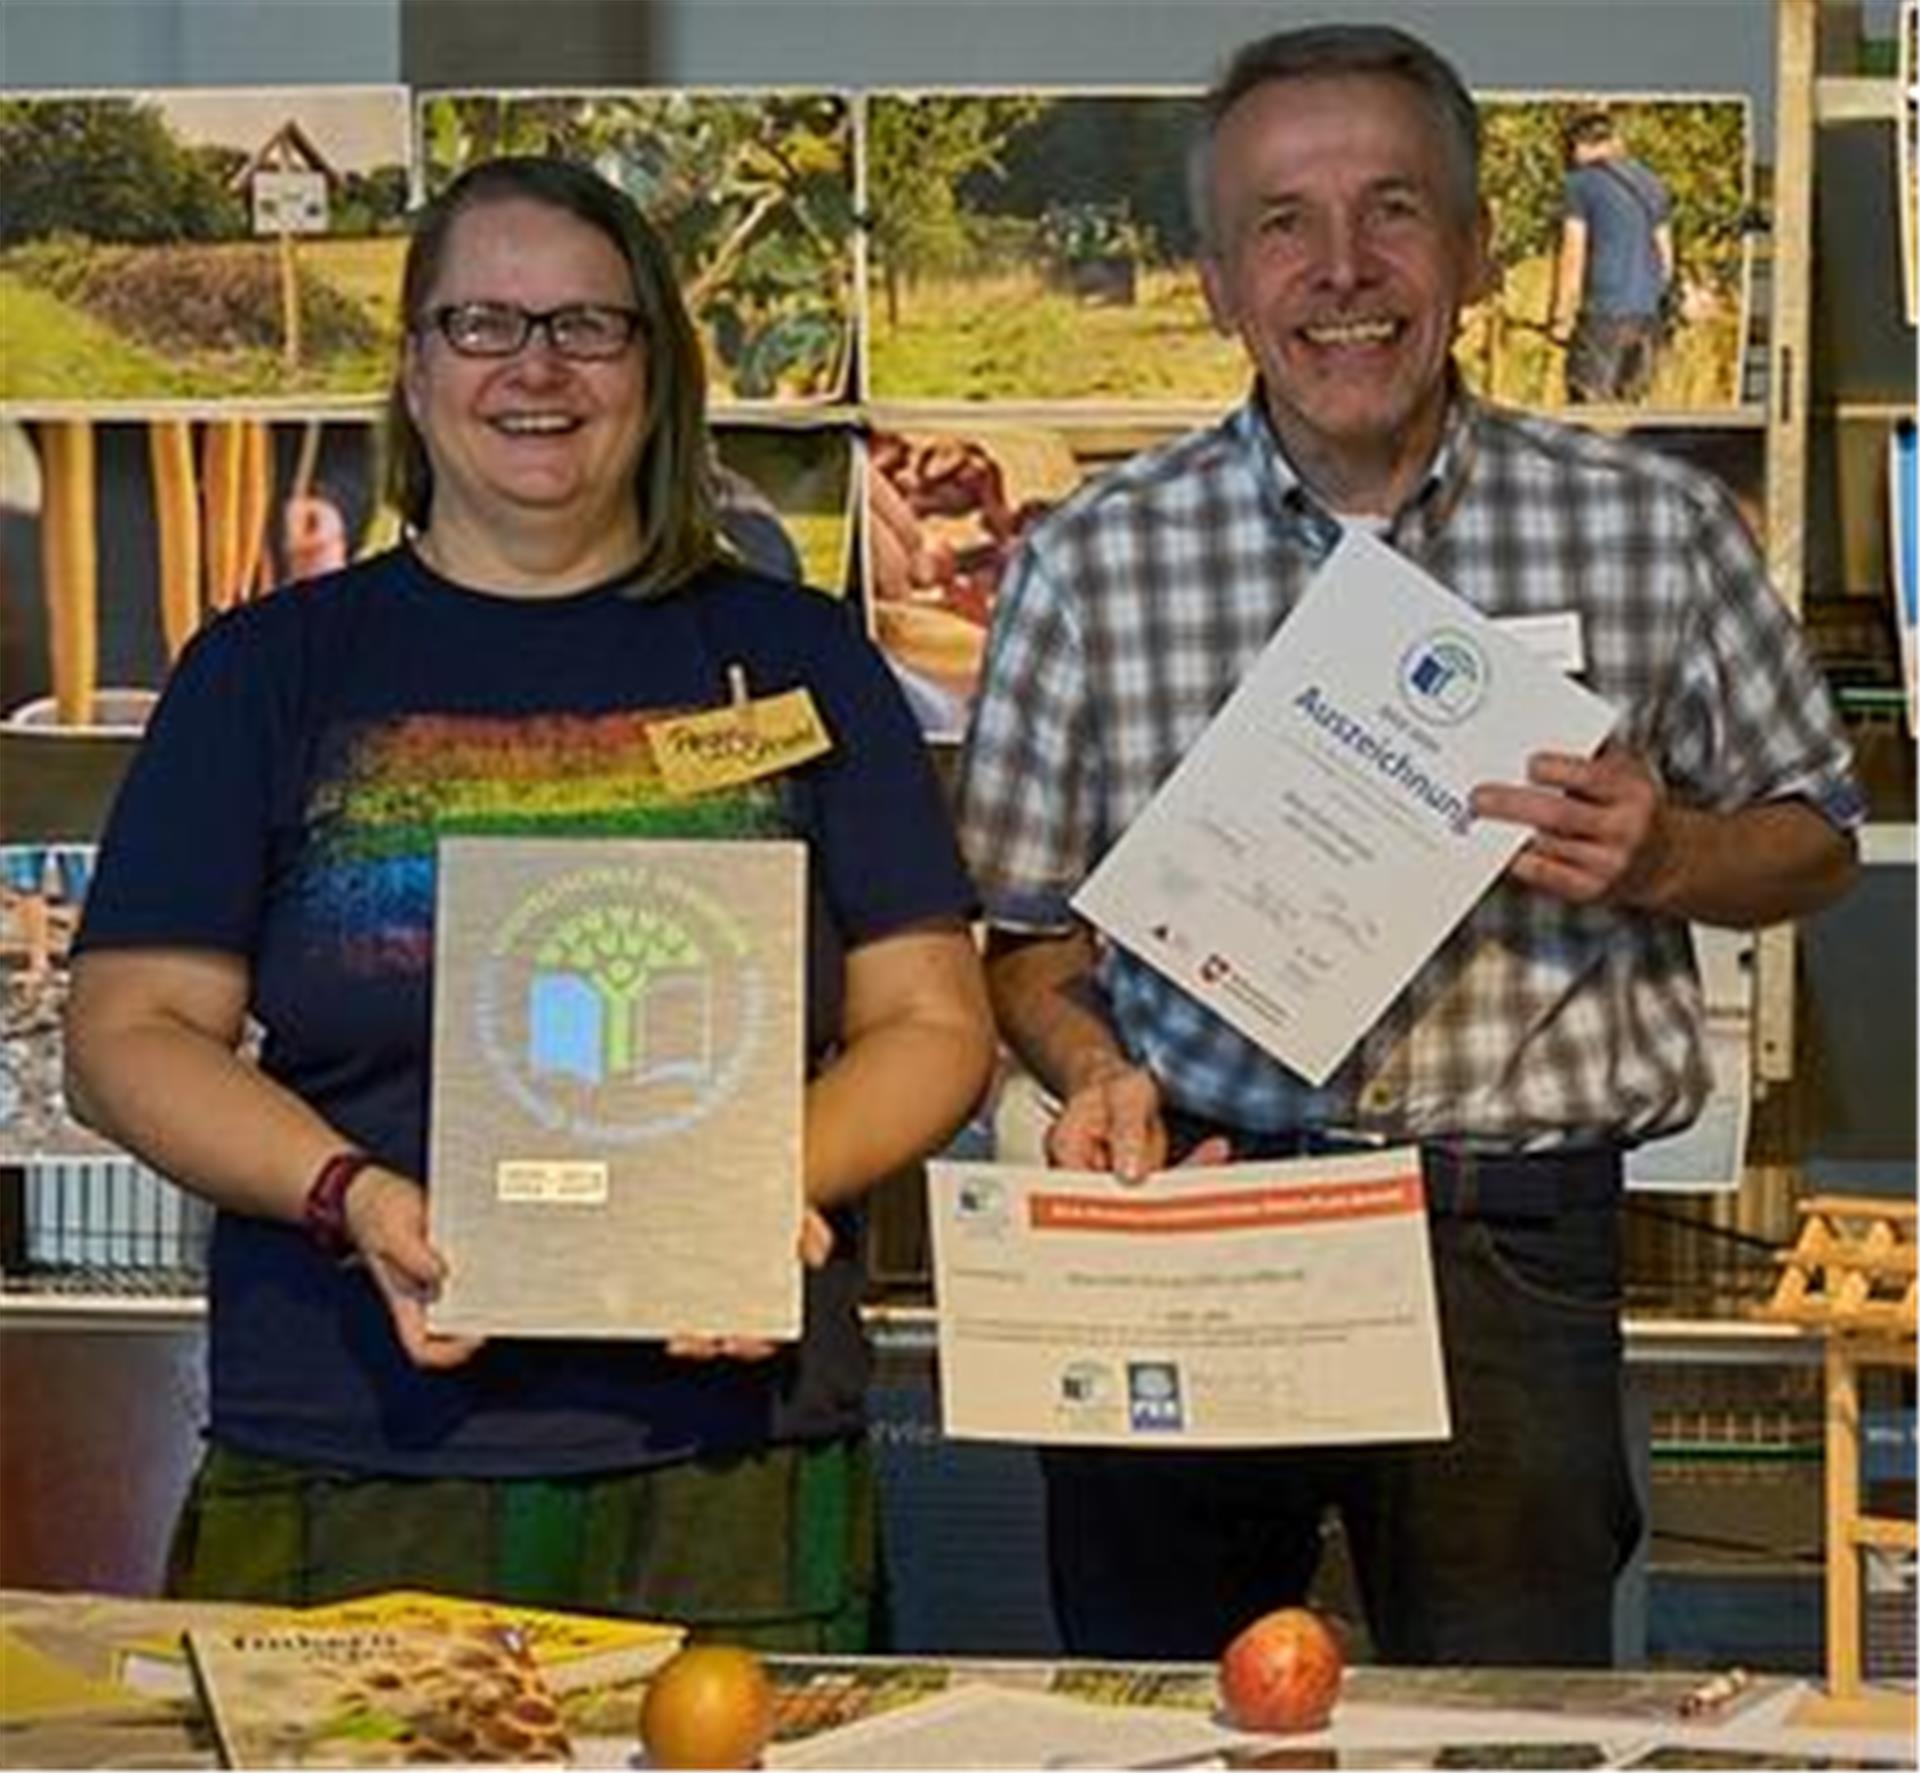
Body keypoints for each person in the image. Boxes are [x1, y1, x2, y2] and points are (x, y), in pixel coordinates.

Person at [956, 24, 1862, 1668]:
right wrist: (1093, 1067)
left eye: (1392, 209)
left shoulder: (1647, 526)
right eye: (1281, 225)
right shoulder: (1089, 558)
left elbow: (1817, 836)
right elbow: (1024, 939)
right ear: (1221, 281)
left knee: (1507, 1723)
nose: (1342, 268)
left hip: (1507, 1238)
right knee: (1161, 1707)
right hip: (1199, 1215)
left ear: (1475, 249)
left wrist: (1667, 857)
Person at [65, 155, 995, 1647]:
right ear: (418, 371)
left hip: (729, 1454)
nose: (537, 368)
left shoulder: (804, 657)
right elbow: (128, 1034)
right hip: (355, 1441)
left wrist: (761, 1187)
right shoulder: (267, 672)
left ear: (656, 368)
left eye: (588, 325)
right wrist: (351, 1196)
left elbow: (932, 1017)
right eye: (483, 323)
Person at [1550, 109, 1676, 405]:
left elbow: (1573, 254)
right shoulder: (1652, 183)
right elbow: (1667, 259)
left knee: (1589, 417)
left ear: (1578, 145)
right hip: (1647, 317)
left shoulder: (1579, 184)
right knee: (1630, 418)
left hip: (1603, 316)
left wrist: (1561, 316)